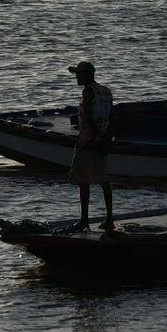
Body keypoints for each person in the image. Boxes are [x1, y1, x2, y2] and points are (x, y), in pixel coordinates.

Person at [68, 61, 115, 231]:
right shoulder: (106, 92)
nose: (77, 77)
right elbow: (112, 117)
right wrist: (107, 138)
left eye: (79, 74)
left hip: (88, 142)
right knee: (104, 181)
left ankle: (84, 220)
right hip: (102, 142)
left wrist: (94, 136)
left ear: (88, 75)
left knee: (83, 182)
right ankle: (109, 219)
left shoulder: (88, 91)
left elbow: (87, 117)